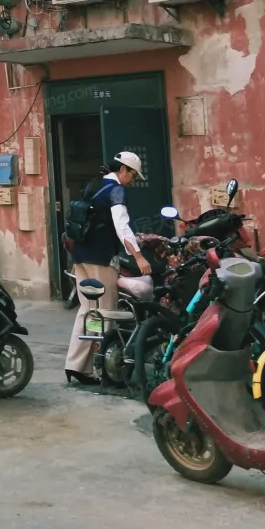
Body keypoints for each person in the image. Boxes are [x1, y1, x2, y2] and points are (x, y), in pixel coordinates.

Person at [64, 151, 152, 386]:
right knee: (105, 312)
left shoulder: (94, 184)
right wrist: (139, 257)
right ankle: (100, 367)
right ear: (123, 169)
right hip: (101, 258)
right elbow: (122, 227)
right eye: (132, 175)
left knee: (88, 309)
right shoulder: (116, 190)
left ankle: (76, 365)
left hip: (80, 257)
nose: (132, 180)